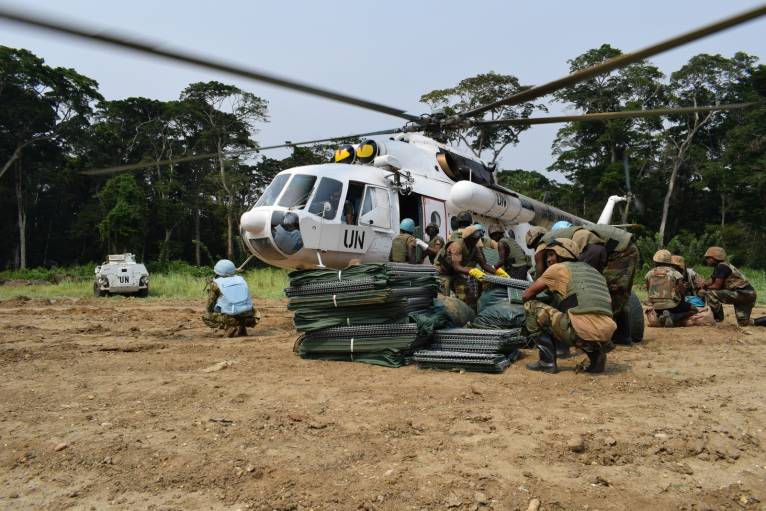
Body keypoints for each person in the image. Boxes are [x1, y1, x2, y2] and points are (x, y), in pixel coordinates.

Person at [522, 238, 616, 374]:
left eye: (551, 255)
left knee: (531, 306)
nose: (548, 260)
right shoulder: (593, 271)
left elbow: (527, 295)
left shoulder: (557, 269)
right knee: (581, 316)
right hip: (607, 333)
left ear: (562, 253)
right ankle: (597, 359)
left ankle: (546, 362)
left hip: (581, 332)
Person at [435, 224, 500, 309]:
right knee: (443, 297)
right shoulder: (457, 246)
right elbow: (457, 267)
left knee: (466, 294)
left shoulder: (474, 248)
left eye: (477, 239)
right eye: (475, 239)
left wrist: (497, 272)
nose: (477, 241)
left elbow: (484, 265)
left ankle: (466, 315)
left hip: (455, 273)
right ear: (468, 238)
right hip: (443, 272)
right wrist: (472, 271)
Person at [699, 246, 758, 326]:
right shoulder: (722, 266)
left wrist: (704, 289)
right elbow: (711, 281)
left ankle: (718, 318)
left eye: (708, 258)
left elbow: (716, 286)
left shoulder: (721, 266)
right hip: (748, 294)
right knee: (744, 323)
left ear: (714, 258)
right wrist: (704, 284)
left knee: (710, 293)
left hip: (742, 293)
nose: (707, 260)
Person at [202, 259, 259, 337]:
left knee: (206, 317)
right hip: (251, 317)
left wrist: (211, 289)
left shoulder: (216, 284)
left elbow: (209, 306)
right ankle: (241, 327)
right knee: (240, 307)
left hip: (232, 317)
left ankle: (228, 327)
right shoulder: (241, 280)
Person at [645, 250, 697, 327]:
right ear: (669, 261)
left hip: (656, 307)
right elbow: (681, 291)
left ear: (655, 261)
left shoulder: (649, 274)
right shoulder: (675, 273)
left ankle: (662, 316)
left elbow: (648, 289)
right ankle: (673, 317)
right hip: (674, 306)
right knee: (694, 309)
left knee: (662, 310)